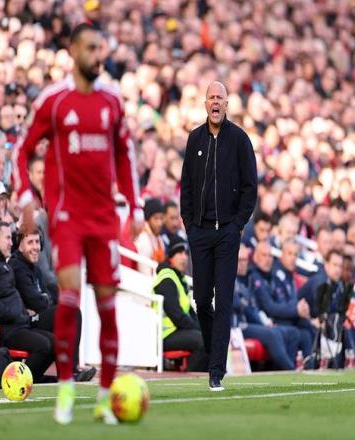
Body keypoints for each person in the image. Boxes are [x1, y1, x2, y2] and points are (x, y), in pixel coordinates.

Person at [13, 23, 143, 425]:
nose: (97, 56)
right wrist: (26, 197)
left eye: (100, 48)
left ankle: (104, 397)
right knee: (69, 297)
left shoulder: (112, 100)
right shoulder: (54, 100)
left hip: (104, 218)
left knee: (107, 307)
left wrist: (135, 207)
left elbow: (126, 154)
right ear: (72, 51)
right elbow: (22, 149)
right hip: (67, 216)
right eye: (90, 48)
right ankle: (67, 388)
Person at [180, 81, 258, 391]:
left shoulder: (239, 139)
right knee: (201, 300)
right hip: (200, 232)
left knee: (223, 300)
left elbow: (251, 186)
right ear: (205, 103)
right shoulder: (194, 139)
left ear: (227, 105)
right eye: (211, 97)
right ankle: (216, 353)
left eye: (220, 98)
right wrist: (189, 225)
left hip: (227, 232)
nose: (215, 102)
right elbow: (186, 186)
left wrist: (237, 224)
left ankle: (215, 371)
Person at [8, 226, 96, 382]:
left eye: (37, 242)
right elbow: (35, 300)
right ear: (20, 246)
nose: (35, 247)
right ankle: (70, 371)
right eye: (30, 242)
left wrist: (43, 299)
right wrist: (43, 299)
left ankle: (68, 371)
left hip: (36, 318)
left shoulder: (35, 269)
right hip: (24, 323)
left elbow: (47, 297)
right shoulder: (16, 266)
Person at [0, 220, 55, 383]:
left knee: (54, 342)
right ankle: (16, 381)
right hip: (6, 330)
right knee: (44, 346)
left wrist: (22, 312)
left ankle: (34, 378)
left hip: (19, 324)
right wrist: (17, 314)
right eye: (8, 238)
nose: (12, 243)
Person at [233, 244, 299, 370]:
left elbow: (254, 308)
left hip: (253, 322)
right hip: (237, 325)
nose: (242, 264)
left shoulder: (248, 278)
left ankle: (281, 371)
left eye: (245, 260)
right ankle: (291, 370)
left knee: (292, 333)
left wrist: (265, 322)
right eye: (239, 260)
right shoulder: (229, 279)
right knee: (272, 334)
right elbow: (242, 308)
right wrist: (263, 323)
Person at [153, 236, 208, 372]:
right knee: (204, 341)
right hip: (165, 335)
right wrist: (199, 329)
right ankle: (191, 376)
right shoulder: (166, 279)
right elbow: (176, 315)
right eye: (179, 253)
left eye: (186, 253)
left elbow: (190, 312)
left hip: (178, 331)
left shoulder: (178, 278)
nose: (184, 257)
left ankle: (205, 375)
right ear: (171, 257)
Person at [134, 197, 165, 275]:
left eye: (161, 218)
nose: (159, 223)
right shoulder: (143, 239)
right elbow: (144, 272)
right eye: (156, 218)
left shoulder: (159, 239)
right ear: (148, 219)